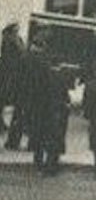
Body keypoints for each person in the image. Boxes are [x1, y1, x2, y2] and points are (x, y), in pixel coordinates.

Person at [27, 37, 69, 175]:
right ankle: (51, 167)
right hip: (56, 112)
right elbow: (65, 97)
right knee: (54, 141)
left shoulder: (44, 75)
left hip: (42, 111)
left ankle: (38, 164)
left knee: (40, 139)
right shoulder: (61, 78)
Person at [2, 23, 27, 148]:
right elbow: (11, 60)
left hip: (15, 76)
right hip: (11, 77)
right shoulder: (9, 42)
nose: (17, 33)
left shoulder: (17, 41)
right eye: (15, 31)